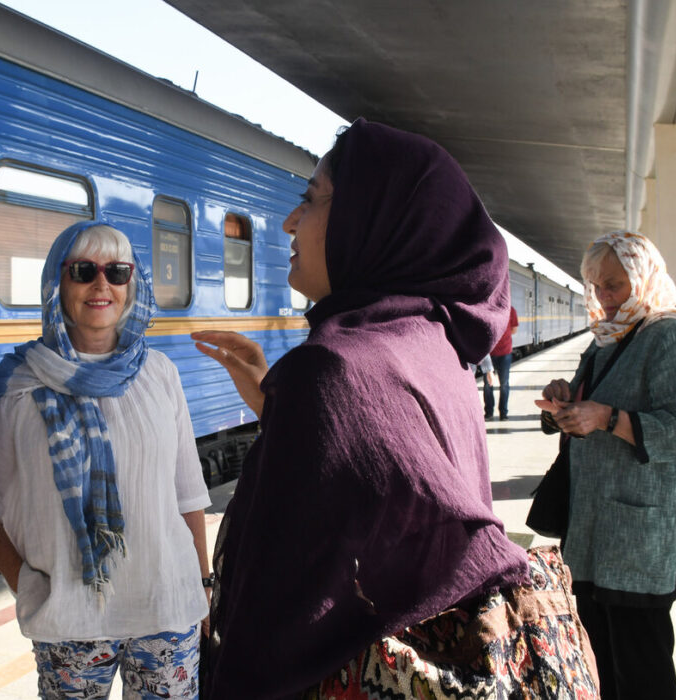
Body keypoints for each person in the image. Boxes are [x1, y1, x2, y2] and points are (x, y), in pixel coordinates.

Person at [191, 118, 598, 699]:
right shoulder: (438, 347)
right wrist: (282, 409)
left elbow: (273, 608)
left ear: (371, 219)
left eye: (309, 199)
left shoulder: (333, 367)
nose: (288, 221)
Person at [0, 220, 212, 700]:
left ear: (132, 284)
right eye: (83, 271)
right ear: (57, 282)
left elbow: (188, 492)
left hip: (168, 607)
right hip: (69, 620)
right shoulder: (17, 387)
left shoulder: (160, 374)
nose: (102, 284)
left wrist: (203, 583)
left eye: (117, 271)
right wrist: (26, 585)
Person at [536, 231, 676, 700]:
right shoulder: (606, 339)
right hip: (597, 527)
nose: (603, 297)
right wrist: (568, 398)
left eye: (614, 285)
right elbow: (594, 402)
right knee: (601, 654)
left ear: (642, 278)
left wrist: (607, 417)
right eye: (595, 286)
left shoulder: (671, 337)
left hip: (642, 539)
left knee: (640, 665)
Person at [483, 304, 519, 419]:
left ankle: (502, 412)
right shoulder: (487, 308)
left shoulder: (511, 310)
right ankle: (490, 411)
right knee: (493, 384)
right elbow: (513, 330)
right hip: (489, 353)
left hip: (504, 352)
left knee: (501, 384)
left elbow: (514, 329)